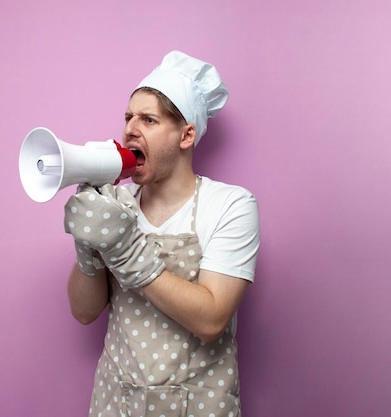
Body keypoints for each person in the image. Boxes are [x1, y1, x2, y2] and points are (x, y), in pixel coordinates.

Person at [64, 50, 260, 417]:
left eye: (149, 119)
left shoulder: (231, 205)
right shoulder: (117, 203)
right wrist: (87, 245)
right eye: (128, 117)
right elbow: (84, 311)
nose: (129, 129)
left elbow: (211, 319)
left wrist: (124, 250)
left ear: (186, 135)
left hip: (198, 405)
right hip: (115, 401)